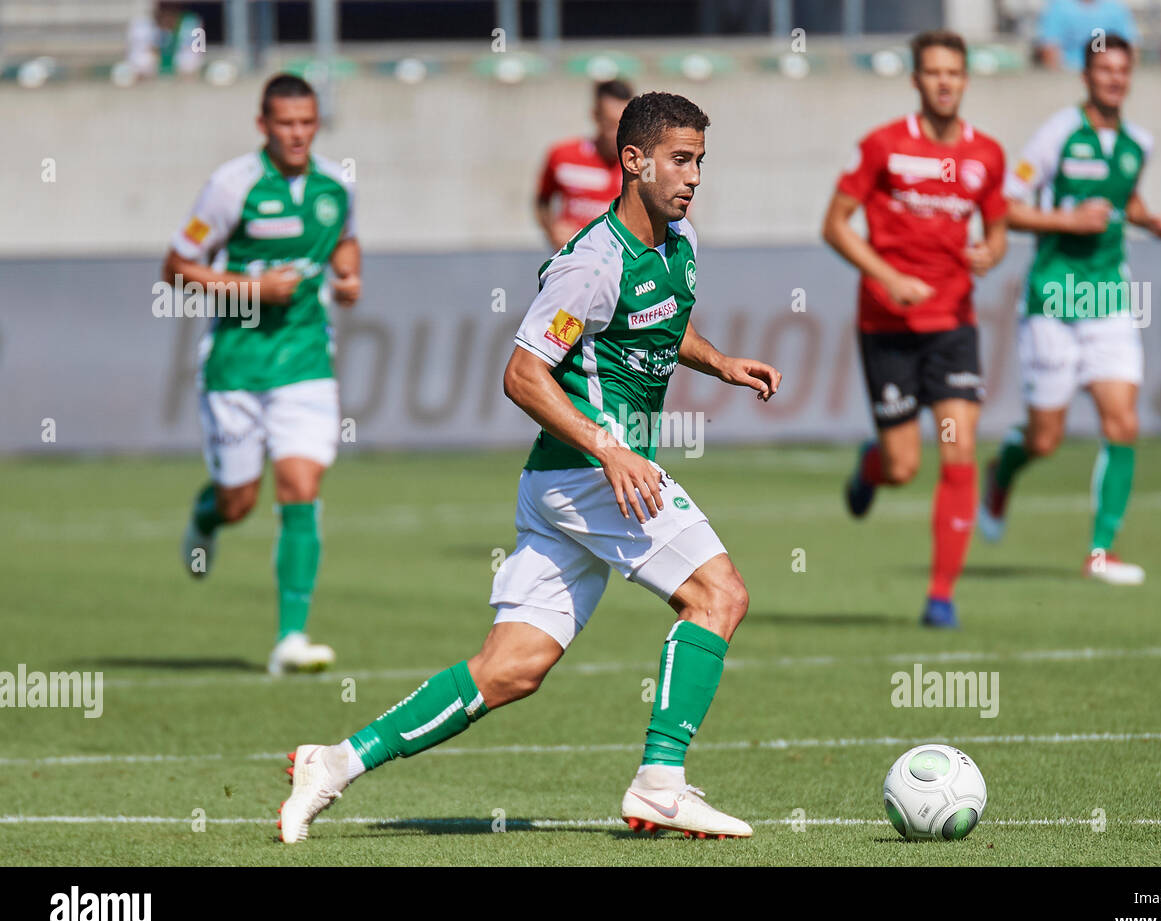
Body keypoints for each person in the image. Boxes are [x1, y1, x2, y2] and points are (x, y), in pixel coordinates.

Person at [278, 92, 783, 843]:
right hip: (593, 474)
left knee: (509, 669)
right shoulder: (591, 264)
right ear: (633, 162)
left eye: (701, 161)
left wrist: (719, 363)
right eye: (680, 160)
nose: (694, 177)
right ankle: (661, 782)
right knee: (720, 596)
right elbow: (522, 374)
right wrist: (609, 447)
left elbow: (658, 326)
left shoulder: (681, 244)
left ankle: (334, 763)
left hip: (564, 485)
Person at [168, 74, 360, 674]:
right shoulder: (231, 186)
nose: (297, 133)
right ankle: (207, 516)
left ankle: (289, 640)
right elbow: (176, 268)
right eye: (285, 123)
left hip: (305, 363)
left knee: (301, 488)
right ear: (263, 125)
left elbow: (344, 244)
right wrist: (253, 288)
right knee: (239, 500)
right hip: (237, 367)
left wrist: (349, 277)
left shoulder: (337, 185)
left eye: (306, 122)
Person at [822, 30, 1008, 629]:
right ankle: (873, 464)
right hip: (888, 326)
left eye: (954, 72)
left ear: (966, 79)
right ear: (916, 80)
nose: (945, 82)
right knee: (905, 467)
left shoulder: (988, 156)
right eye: (933, 72)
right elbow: (835, 226)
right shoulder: (882, 146)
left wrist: (992, 252)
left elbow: (999, 229)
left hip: (952, 327)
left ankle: (940, 597)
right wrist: (887, 276)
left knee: (960, 451)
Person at [980, 35, 1161, 585]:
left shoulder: (1139, 142)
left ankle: (1101, 552)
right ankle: (1002, 472)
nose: (1113, 78)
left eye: (1121, 70)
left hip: (1110, 300)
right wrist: (1068, 222)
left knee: (1123, 423)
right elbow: (1006, 209)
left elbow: (1123, 197)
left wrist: (1148, 219)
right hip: (1053, 301)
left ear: (1130, 76)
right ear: (1086, 76)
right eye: (1103, 69)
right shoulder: (1057, 135)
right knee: (1046, 437)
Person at [535, 79, 633, 249]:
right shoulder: (563, 156)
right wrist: (552, 230)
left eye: (623, 125)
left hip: (628, 266)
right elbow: (542, 201)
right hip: (574, 261)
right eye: (610, 124)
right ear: (595, 115)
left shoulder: (645, 165)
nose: (617, 133)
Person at [1035, 0, 1140, 70]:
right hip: (1069, 74)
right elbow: (1049, 50)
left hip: (1105, 74)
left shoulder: (1115, 8)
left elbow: (1131, 49)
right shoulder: (1058, 7)